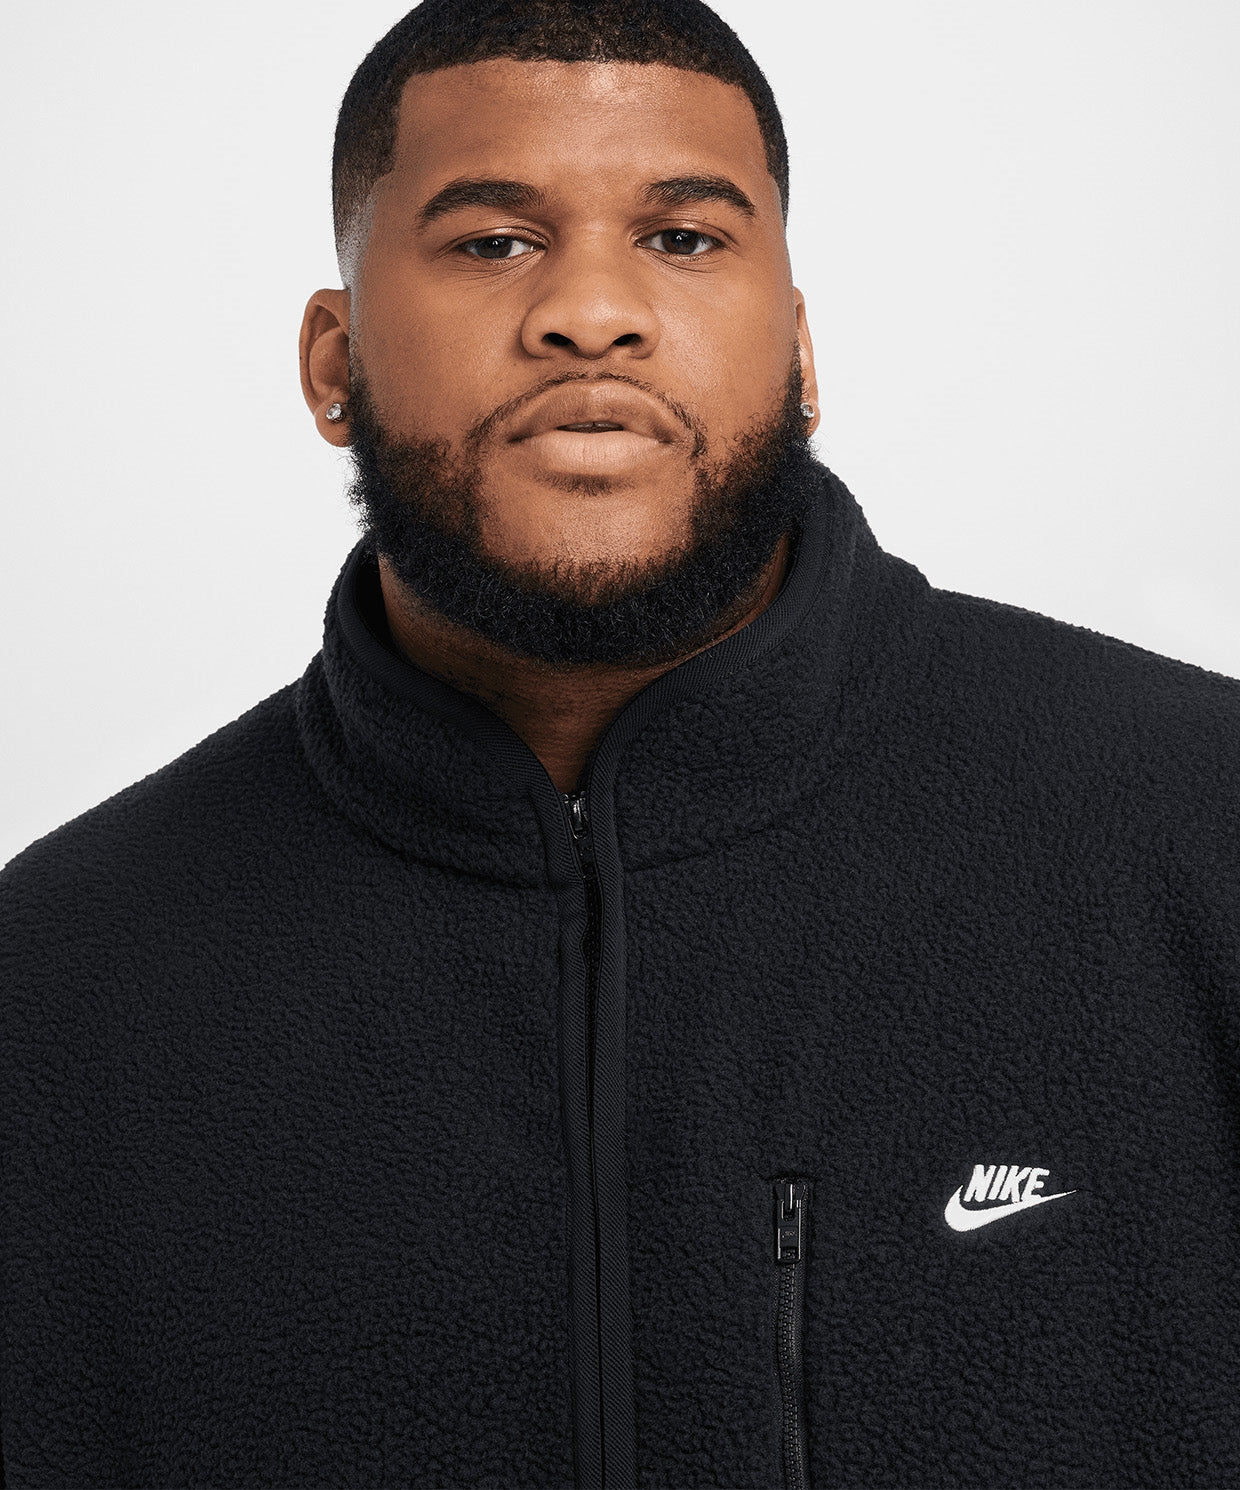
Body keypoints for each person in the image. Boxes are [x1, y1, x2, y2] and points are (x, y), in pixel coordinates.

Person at [2, 0, 1237, 1486]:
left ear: (800, 348)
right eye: (492, 242)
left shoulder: (1202, 832)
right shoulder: (55, 984)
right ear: (332, 360)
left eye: (684, 238)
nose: (592, 311)